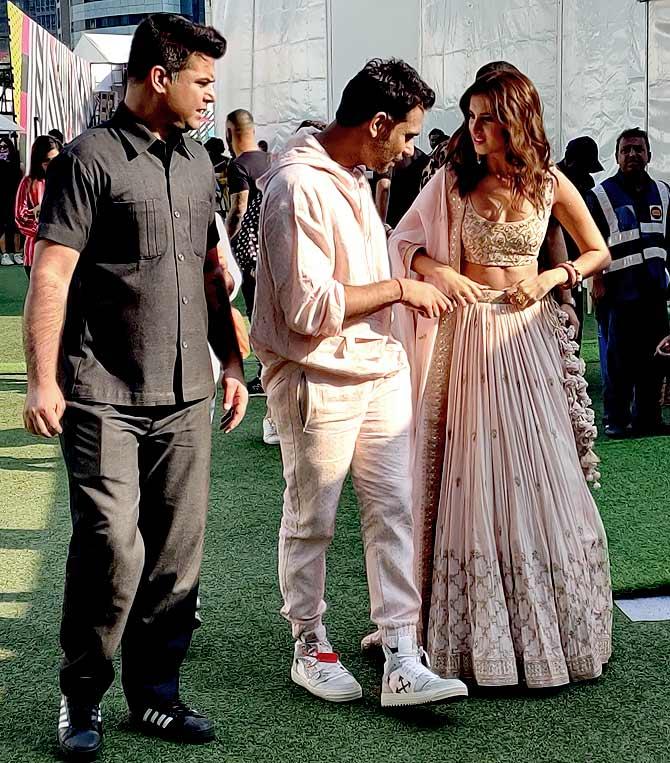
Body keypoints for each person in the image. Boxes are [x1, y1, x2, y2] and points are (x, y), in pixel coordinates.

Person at [23, 14, 247, 760]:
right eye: (203, 81)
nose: (212, 95)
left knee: (176, 558)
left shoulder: (196, 164)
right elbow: (51, 274)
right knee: (112, 546)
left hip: (186, 396)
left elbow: (213, 275)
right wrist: (42, 379)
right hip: (102, 394)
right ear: (161, 77)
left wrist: (233, 362)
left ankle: (155, 697)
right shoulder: (87, 160)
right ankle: (80, 694)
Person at [251, 58, 468, 708]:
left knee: (393, 511)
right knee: (311, 516)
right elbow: (308, 308)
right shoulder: (295, 184)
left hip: (377, 370)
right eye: (404, 136)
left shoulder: (346, 173)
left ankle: (402, 650)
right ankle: (309, 644)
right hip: (317, 376)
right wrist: (404, 288)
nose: (407, 150)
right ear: (377, 124)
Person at [389, 68, 613, 689]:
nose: (476, 129)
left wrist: (550, 278)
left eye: (488, 116)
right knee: (467, 475)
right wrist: (440, 272)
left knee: (537, 471)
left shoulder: (549, 185)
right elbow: (403, 240)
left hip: (528, 340)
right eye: (471, 115)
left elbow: (598, 250)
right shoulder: (452, 181)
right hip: (465, 342)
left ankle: (548, 626)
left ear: (518, 118)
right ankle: (446, 631)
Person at [586, 128, 670, 438]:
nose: (633, 155)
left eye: (638, 149)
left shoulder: (663, 193)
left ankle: (649, 419)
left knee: (656, 359)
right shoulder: (601, 195)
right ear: (617, 156)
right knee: (619, 361)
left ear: (649, 154)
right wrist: (596, 279)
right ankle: (616, 421)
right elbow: (588, 240)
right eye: (626, 150)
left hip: (654, 293)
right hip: (618, 293)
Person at [225, 108, 277, 442]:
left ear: (231, 131)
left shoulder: (238, 165)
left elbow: (238, 207)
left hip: (250, 251)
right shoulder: (271, 160)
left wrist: (225, 240)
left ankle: (262, 372)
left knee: (254, 314)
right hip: (274, 249)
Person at [557, 136, 604, 346]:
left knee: (573, 331)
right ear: (571, 162)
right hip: (548, 268)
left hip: (574, 269)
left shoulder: (586, 186)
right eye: (585, 168)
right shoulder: (551, 182)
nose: (587, 174)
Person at [14, 135, 61, 279]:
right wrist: (44, 227)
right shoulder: (28, 183)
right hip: (35, 254)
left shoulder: (68, 181)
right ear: (38, 161)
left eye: (56, 160)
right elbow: (20, 218)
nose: (52, 165)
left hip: (64, 255)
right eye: (47, 161)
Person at [373, 143, 430, 227]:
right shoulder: (423, 158)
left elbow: (384, 186)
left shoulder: (389, 154)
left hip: (392, 217)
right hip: (413, 219)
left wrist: (381, 223)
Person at [0, 135, 23, 265]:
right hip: (1, 199)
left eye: (5, 146)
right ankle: (4, 254)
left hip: (14, 198)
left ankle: (17, 253)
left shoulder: (17, 165)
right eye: (0, 147)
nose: (2, 149)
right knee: (2, 227)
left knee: (16, 226)